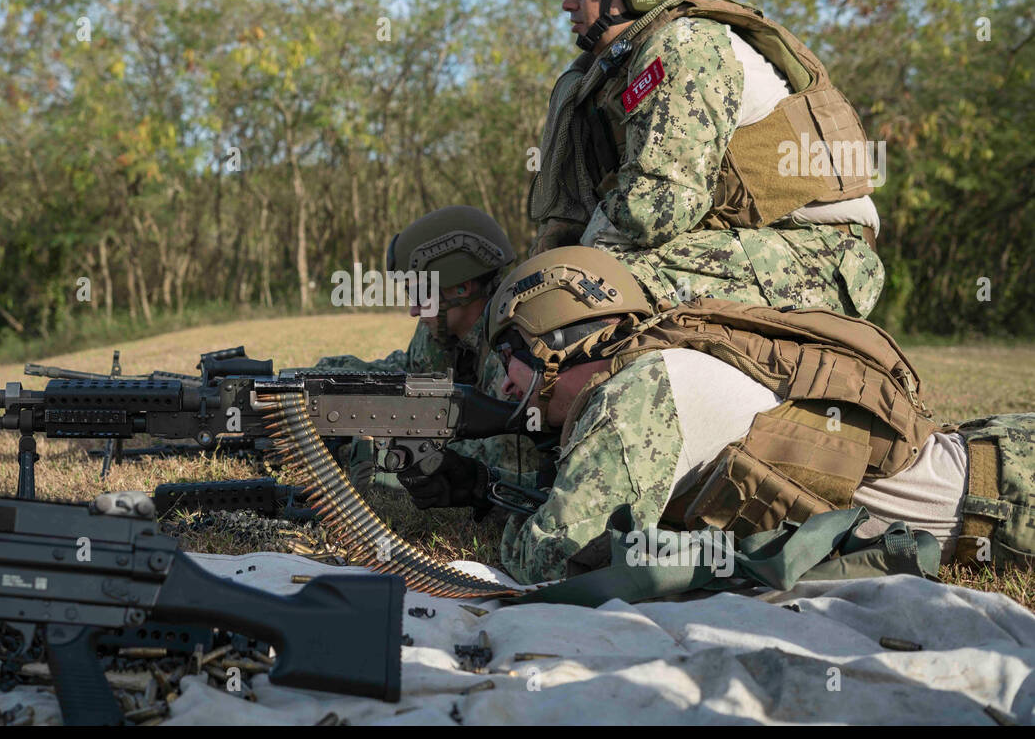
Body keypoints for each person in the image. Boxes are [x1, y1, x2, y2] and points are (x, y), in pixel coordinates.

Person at [400, 246, 1033, 584]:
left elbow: (551, 558)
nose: (502, 376)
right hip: (990, 467)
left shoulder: (636, 395)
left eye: (511, 352)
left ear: (562, 341)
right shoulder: (650, 368)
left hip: (1004, 500)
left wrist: (495, 506)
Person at [528, 0, 884, 319]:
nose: (568, 2)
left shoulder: (686, 44)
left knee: (584, 291)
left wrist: (570, 266)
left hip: (818, 255)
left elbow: (655, 211)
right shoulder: (615, 68)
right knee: (542, 290)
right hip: (752, 245)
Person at [313, 205, 540, 489]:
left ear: (462, 287)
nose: (413, 309)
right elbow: (405, 377)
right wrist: (322, 380)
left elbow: (495, 466)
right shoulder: (440, 325)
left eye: (420, 293)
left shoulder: (513, 348)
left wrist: (369, 455)